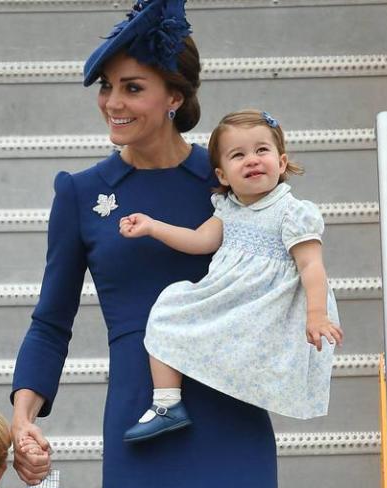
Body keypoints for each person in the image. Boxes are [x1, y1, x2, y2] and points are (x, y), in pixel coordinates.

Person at [10, 0, 281, 488]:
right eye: (106, 88)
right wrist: (23, 415)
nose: (112, 102)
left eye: (132, 87)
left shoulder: (232, 177)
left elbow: (287, 265)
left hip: (233, 414)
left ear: (174, 97)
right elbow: (50, 322)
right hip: (142, 416)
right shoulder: (81, 194)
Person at [119, 109, 343, 443]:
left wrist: (316, 315)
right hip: (230, 301)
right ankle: (167, 404)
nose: (252, 160)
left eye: (261, 151)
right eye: (239, 155)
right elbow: (199, 241)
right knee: (169, 307)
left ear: (281, 163)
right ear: (223, 175)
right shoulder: (228, 208)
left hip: (268, 308)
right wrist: (153, 226)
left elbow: (311, 265)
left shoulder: (293, 212)